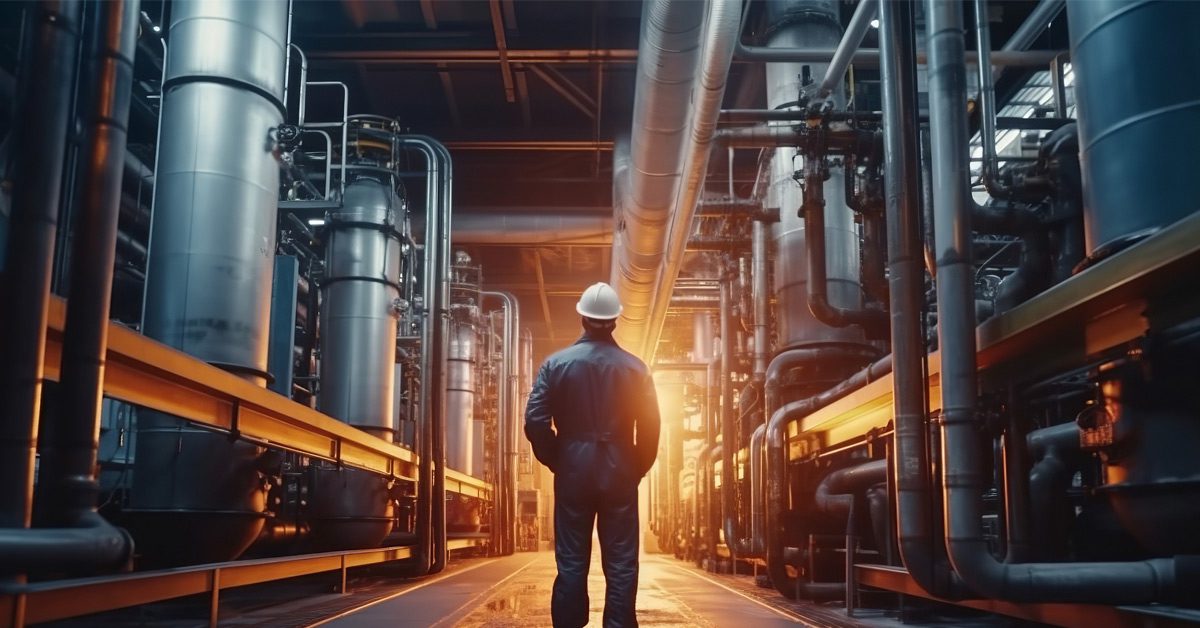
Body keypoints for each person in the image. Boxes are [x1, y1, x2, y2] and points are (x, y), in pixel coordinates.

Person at [524, 282, 661, 628]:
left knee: (571, 560)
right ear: (614, 321)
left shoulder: (555, 364)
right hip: (620, 472)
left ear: (582, 317)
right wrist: (635, 468)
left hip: (573, 469)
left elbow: (536, 421)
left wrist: (560, 458)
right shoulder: (636, 368)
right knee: (622, 561)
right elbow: (650, 427)